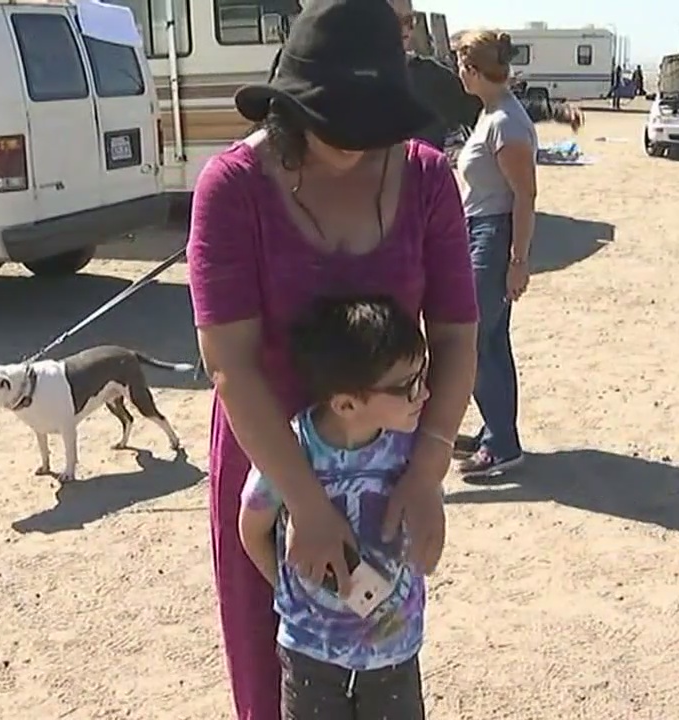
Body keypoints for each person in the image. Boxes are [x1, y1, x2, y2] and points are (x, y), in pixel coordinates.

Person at [187, 0, 480, 716]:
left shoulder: (429, 179)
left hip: (388, 466)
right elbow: (230, 364)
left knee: (381, 661)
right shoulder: (232, 189)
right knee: (277, 674)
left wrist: (428, 468)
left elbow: (454, 336)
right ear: (291, 108)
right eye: (339, 125)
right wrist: (306, 504)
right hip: (272, 462)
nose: (360, 145)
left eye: (375, 127)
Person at [239, 295, 430, 719]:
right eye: (408, 385)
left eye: (423, 375)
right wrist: (290, 592)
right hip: (311, 655)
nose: (424, 393)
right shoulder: (290, 451)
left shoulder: (411, 447)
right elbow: (252, 528)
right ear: (346, 404)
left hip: (395, 652)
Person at [449, 30, 538, 479]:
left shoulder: (506, 122)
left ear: (472, 68)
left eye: (460, 65)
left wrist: (518, 261)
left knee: (476, 340)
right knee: (491, 341)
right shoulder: (491, 114)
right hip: (480, 230)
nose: (458, 73)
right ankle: (498, 432)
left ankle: (501, 444)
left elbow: (525, 195)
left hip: (493, 234)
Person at [266, 0, 481, 152]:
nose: (405, 29)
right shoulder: (322, 70)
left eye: (410, 20)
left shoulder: (433, 76)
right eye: (394, 21)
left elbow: (483, 116)